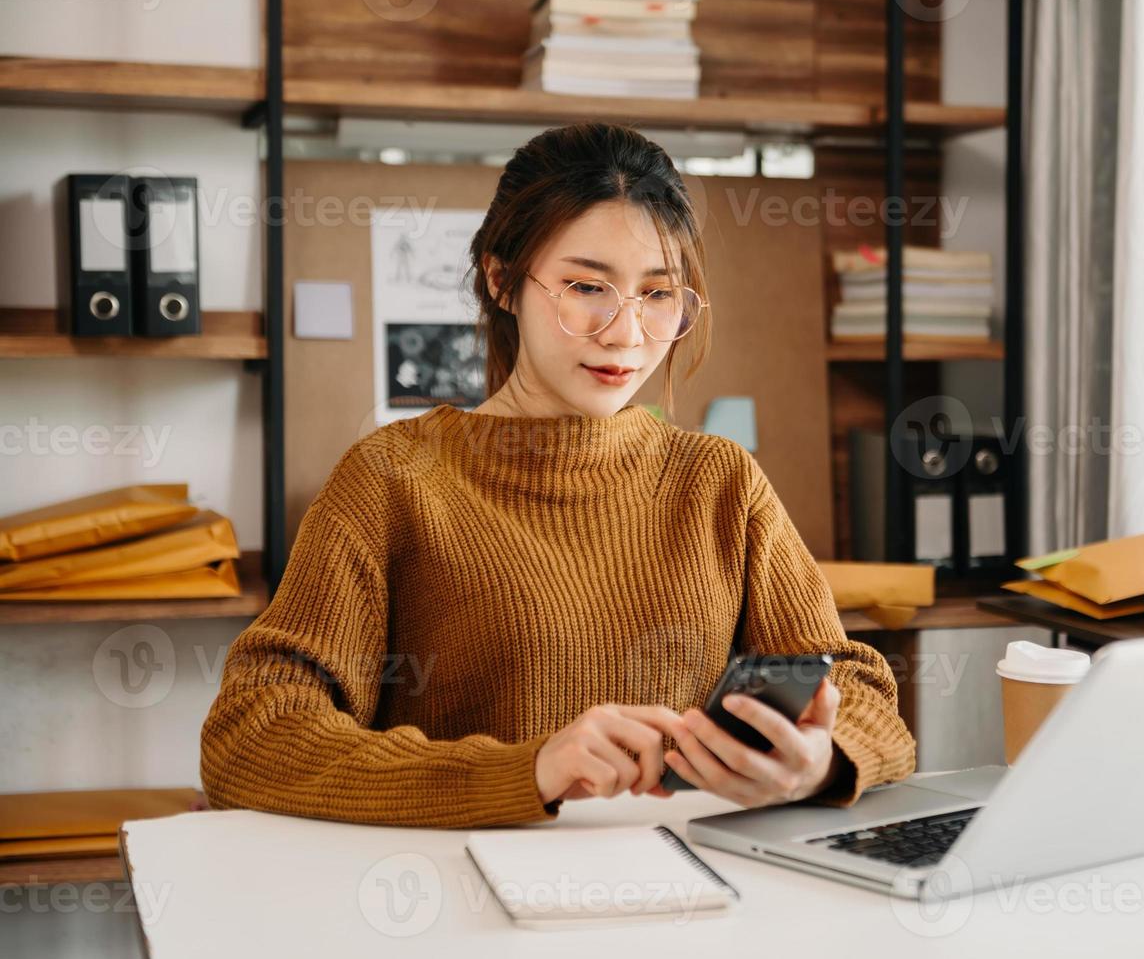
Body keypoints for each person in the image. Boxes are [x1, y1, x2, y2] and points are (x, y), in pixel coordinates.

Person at [199, 123, 916, 827]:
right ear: (502, 279)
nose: (625, 334)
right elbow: (252, 732)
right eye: (585, 287)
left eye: (658, 295)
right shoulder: (393, 478)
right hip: (459, 907)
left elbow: (858, 695)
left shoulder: (718, 481)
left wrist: (820, 761)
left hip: (689, 902)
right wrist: (528, 772)